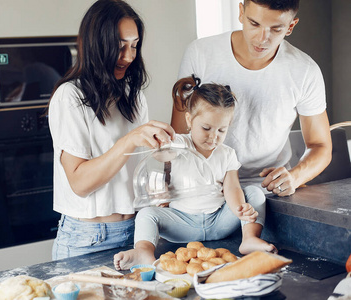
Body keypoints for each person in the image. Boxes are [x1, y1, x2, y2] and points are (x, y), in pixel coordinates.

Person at [47, 0, 174, 260]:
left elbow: (137, 170)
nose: (129, 56)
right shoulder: (69, 96)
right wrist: (128, 141)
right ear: (96, 45)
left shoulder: (133, 95)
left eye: (134, 45)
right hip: (88, 239)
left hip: (138, 233)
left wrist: (160, 187)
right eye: (119, 47)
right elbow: (80, 183)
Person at [114, 75, 276, 270]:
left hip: (219, 222)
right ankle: (143, 251)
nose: (213, 137)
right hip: (182, 223)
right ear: (189, 120)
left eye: (221, 130)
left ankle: (249, 238)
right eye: (206, 128)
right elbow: (159, 158)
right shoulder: (179, 144)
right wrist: (162, 152)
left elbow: (232, 188)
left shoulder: (227, 154)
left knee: (254, 193)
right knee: (147, 214)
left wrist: (240, 209)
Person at [172, 0, 332, 196]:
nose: (262, 38)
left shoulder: (305, 71)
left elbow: (320, 146)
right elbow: (179, 136)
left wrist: (295, 177)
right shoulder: (200, 53)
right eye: (254, 24)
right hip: (205, 187)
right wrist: (176, 187)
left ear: (290, 26)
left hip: (268, 189)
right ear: (241, 12)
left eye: (275, 29)